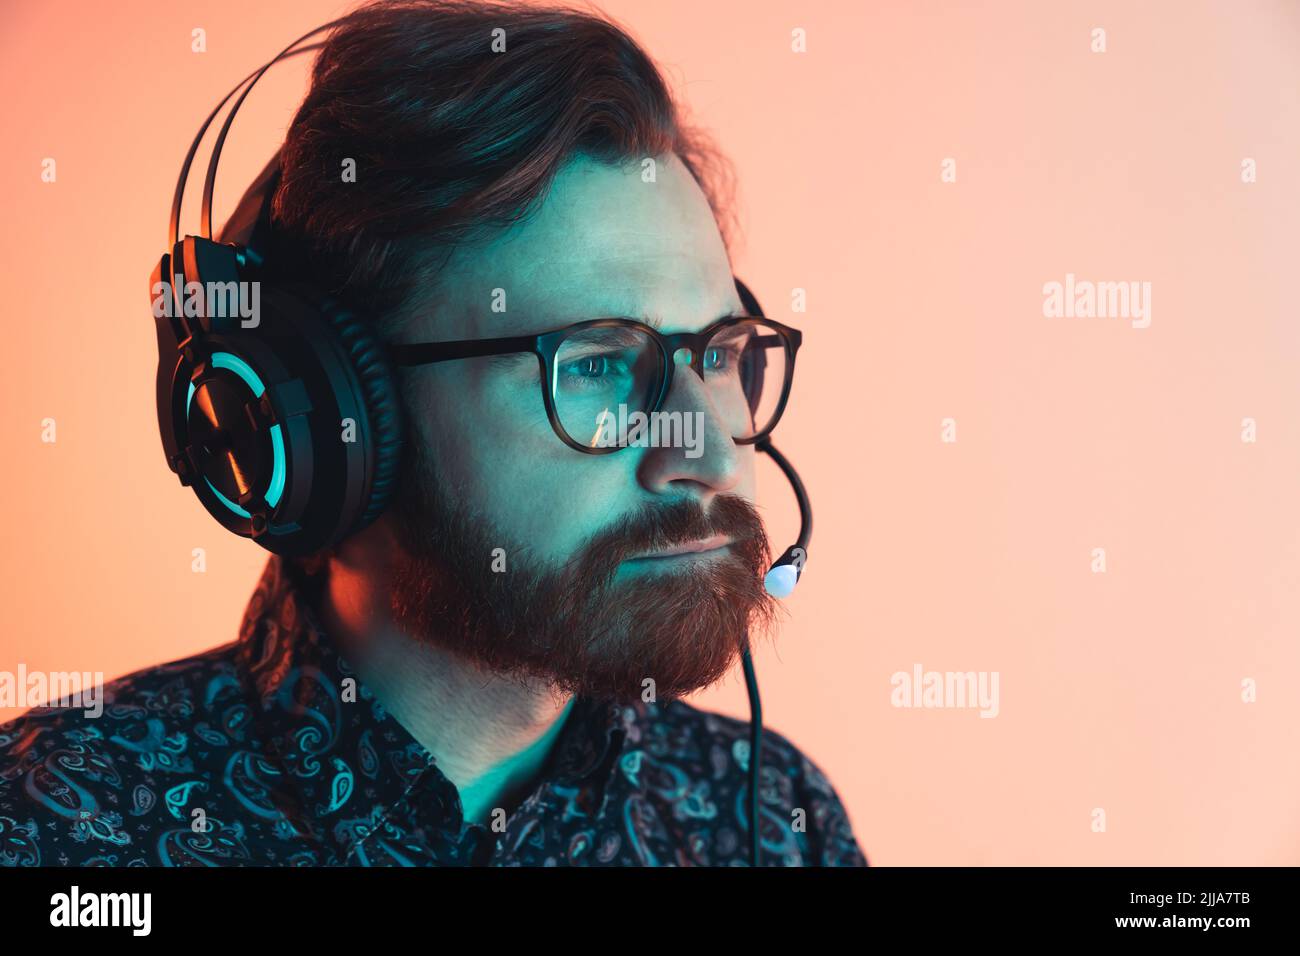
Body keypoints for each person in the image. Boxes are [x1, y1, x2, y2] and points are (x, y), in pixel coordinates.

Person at [0, 0, 867, 867]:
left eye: (717, 357)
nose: (709, 454)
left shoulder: (769, 818)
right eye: (595, 364)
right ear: (334, 424)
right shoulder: (59, 830)